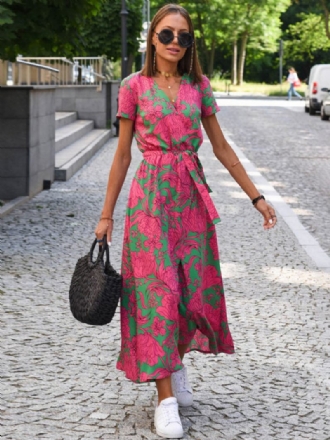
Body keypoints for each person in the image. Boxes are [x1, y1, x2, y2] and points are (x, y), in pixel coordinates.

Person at [95, 4, 277, 438]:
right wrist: (106, 216)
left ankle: (173, 365)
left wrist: (257, 196)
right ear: (152, 39)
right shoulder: (133, 87)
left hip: (192, 202)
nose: (175, 43)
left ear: (190, 44)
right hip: (149, 204)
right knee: (157, 298)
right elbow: (122, 156)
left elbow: (222, 148)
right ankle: (166, 400)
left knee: (193, 299)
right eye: (167, 35)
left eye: (183, 37)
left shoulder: (200, 87)